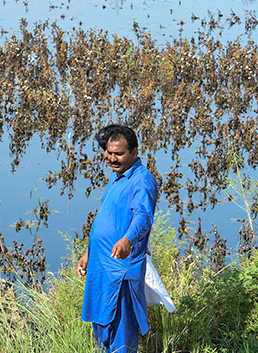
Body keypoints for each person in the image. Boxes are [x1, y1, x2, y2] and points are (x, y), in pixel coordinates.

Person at [76, 124, 158, 353]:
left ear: (134, 152)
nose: (112, 158)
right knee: (102, 329)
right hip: (101, 266)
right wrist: (89, 253)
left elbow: (143, 217)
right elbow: (108, 218)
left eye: (118, 154)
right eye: (108, 152)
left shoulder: (142, 180)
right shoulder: (117, 177)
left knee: (121, 333)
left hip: (121, 270)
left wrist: (128, 240)